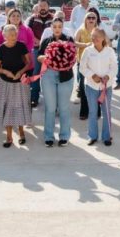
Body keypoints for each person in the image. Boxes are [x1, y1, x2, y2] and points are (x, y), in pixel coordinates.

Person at [0, 24, 33, 148]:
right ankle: (9, 136)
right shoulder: (1, 49)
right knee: (7, 107)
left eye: (15, 34)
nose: (13, 37)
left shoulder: (21, 46)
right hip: (5, 82)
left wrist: (21, 72)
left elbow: (28, 62)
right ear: (4, 36)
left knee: (20, 106)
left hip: (20, 82)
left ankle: (21, 132)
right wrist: (6, 72)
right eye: (10, 35)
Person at [39, 18, 75, 146]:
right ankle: (48, 136)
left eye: (59, 26)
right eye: (55, 26)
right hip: (48, 75)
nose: (57, 29)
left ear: (63, 27)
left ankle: (64, 136)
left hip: (65, 77)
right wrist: (43, 57)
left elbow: (73, 58)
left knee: (64, 107)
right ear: (51, 28)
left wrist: (65, 62)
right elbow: (39, 56)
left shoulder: (69, 40)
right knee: (50, 107)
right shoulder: (46, 41)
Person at [80, 27, 118, 146]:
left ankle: (107, 137)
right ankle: (92, 136)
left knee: (107, 112)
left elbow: (114, 67)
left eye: (97, 36)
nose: (94, 38)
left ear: (103, 38)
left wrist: (108, 76)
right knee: (92, 111)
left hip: (106, 87)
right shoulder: (88, 51)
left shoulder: (110, 51)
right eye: (92, 36)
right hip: (91, 86)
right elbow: (82, 68)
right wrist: (92, 76)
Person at [26, 0, 54, 108]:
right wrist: (36, 40)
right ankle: (34, 98)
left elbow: (57, 32)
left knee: (50, 75)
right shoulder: (32, 18)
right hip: (36, 50)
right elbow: (28, 31)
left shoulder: (53, 18)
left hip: (50, 51)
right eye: (40, 5)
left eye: (45, 5)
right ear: (38, 7)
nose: (43, 7)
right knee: (36, 73)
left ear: (48, 6)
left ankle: (51, 100)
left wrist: (45, 42)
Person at [74, 11, 101, 120]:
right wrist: (85, 45)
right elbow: (74, 42)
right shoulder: (80, 30)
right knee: (83, 88)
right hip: (83, 63)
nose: (91, 19)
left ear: (96, 20)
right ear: (85, 19)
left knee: (97, 88)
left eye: (93, 17)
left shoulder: (99, 31)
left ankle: (97, 111)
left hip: (97, 64)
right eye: (88, 17)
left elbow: (106, 43)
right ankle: (84, 112)